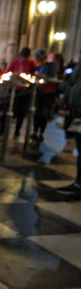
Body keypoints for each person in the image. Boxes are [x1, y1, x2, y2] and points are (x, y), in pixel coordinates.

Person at [57, 58, 81, 200]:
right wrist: (66, 100)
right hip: (76, 108)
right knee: (80, 149)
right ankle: (78, 183)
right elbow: (72, 81)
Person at [2, 47, 36, 137]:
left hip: (25, 91)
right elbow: (9, 72)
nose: (24, 59)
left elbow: (33, 74)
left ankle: (17, 130)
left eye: (26, 57)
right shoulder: (15, 62)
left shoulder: (31, 63)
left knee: (21, 111)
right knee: (7, 109)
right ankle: (2, 129)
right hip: (13, 88)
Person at [32, 50, 56, 143]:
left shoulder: (50, 66)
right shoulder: (37, 68)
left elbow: (52, 77)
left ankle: (41, 133)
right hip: (38, 93)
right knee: (36, 113)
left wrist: (43, 77)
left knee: (44, 114)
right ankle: (34, 131)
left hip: (47, 94)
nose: (36, 60)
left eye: (37, 58)